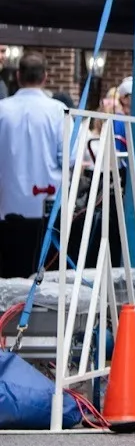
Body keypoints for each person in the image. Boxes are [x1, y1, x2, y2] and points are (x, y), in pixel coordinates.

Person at [0, 52, 67, 279]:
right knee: (43, 279)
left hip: (6, 206)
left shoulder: (1, 109)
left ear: (18, 76)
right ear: (45, 77)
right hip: (45, 207)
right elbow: (70, 158)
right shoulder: (58, 111)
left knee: (8, 275)